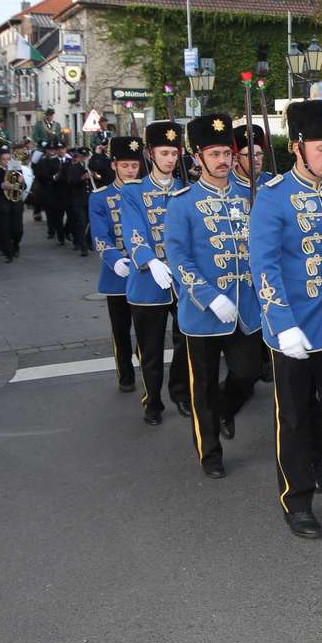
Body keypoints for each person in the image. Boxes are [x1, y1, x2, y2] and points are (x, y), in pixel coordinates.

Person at [248, 99, 322, 540]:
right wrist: (282, 323)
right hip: (293, 326)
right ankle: (296, 499)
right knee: (294, 415)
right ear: (297, 147)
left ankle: (309, 456)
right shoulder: (274, 196)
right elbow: (264, 265)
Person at [167, 112, 263, 473]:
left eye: (227, 153)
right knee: (203, 385)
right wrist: (209, 296)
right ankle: (210, 453)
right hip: (203, 313)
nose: (223, 160)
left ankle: (225, 409)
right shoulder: (182, 202)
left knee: (248, 372)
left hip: (246, 308)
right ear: (198, 158)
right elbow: (178, 258)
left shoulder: (249, 196)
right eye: (215, 154)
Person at [122, 122, 189, 425]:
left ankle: (180, 391)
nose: (170, 159)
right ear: (150, 154)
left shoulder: (186, 189)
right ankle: (153, 401)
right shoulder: (134, 191)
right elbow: (133, 231)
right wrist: (150, 260)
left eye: (174, 153)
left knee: (186, 340)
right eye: (164, 153)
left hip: (182, 280)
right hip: (148, 280)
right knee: (150, 349)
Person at [89, 136, 148, 391]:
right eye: (125, 165)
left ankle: (148, 371)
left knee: (146, 329)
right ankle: (125, 373)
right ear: (114, 165)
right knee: (121, 329)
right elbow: (100, 236)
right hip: (118, 272)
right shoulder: (100, 197)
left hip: (145, 270)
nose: (130, 170)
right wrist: (115, 261)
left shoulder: (147, 193)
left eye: (134, 165)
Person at [0, 145, 32, 262]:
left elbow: (24, 187)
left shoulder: (16, 169)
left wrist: (22, 182)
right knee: (4, 230)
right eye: (4, 159)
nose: (6, 162)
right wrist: (2, 185)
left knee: (18, 230)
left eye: (8, 159)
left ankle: (15, 244)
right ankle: (8, 253)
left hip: (15, 204)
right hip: (1, 205)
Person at [61, 147, 94, 257]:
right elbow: (70, 182)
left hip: (90, 199)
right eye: (82, 157)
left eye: (86, 156)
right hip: (78, 200)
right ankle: (83, 246)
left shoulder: (91, 167)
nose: (84, 158)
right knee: (81, 223)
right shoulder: (74, 167)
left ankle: (88, 241)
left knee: (91, 222)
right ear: (78, 157)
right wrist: (82, 178)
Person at [35, 141, 65, 241]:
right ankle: (51, 230)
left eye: (53, 150)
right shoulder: (42, 161)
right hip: (47, 190)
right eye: (49, 150)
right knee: (49, 213)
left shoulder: (59, 161)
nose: (51, 151)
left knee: (59, 214)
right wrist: (51, 178)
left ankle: (60, 233)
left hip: (59, 191)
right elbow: (39, 175)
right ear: (46, 151)